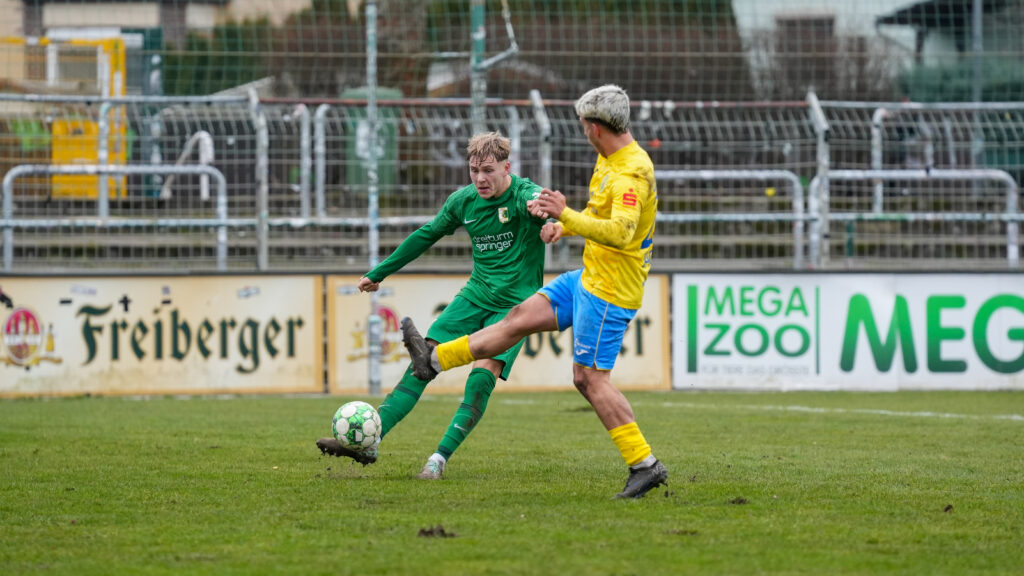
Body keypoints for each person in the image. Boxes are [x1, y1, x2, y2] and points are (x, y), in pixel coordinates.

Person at [401, 84, 667, 498]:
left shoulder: (632, 171)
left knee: (589, 380)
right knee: (518, 318)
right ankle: (433, 360)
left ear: (595, 127)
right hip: (588, 278)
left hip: (610, 290)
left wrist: (567, 215)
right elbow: (600, 215)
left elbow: (622, 232)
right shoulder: (609, 159)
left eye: (583, 124)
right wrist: (562, 225)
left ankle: (644, 464)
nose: (582, 130)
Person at [317, 131, 547, 480]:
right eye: (474, 170)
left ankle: (438, 460)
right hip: (474, 296)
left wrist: (546, 216)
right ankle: (371, 441)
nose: (480, 179)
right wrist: (379, 272)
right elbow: (426, 235)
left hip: (515, 307)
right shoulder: (464, 201)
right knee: (422, 362)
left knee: (480, 379)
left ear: (506, 167)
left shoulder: (523, 194)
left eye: (488, 170)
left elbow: (542, 205)